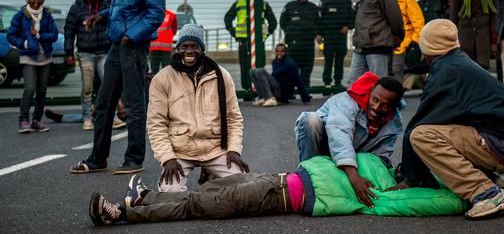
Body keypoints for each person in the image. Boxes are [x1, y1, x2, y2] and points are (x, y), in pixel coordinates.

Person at [87, 153, 467, 226]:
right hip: (276, 179)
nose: (402, 171)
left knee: (198, 205)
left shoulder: (383, 196)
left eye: (409, 174)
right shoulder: (377, 165)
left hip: (276, 196)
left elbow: (428, 202)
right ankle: (144, 198)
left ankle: (123, 214)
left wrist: (470, 194)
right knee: (208, 190)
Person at [388, 19, 504, 220]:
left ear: (428, 47)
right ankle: (490, 177)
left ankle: (486, 192)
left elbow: (420, 124)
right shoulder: (458, 62)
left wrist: (411, 178)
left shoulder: (446, 72)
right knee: (443, 126)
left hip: (499, 145)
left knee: (422, 135)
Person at [69, 0, 166, 175]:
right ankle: (97, 159)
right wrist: (100, 17)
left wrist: (131, 35)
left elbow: (156, 12)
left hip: (133, 47)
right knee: (103, 103)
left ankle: (133, 159)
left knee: (134, 104)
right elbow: (119, 8)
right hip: (116, 45)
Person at [147, 24, 249, 192]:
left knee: (243, 188)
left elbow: (233, 117)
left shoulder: (221, 76)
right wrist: (167, 159)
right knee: (171, 194)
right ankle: (208, 180)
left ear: (202, 49)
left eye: (194, 46)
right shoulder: (162, 79)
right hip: (180, 151)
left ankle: (211, 174)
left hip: (215, 149)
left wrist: (233, 150)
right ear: (178, 49)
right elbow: (156, 124)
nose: (189, 51)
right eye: (184, 46)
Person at [294, 72, 404, 207]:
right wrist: (354, 177)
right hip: (327, 146)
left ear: (394, 106)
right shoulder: (346, 101)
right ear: (370, 92)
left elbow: (378, 157)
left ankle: (339, 176)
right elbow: (339, 136)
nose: (376, 108)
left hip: (351, 157)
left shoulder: (395, 122)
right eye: (375, 99)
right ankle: (307, 175)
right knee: (310, 120)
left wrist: (391, 174)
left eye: (385, 105)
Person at [63, 0, 112, 130]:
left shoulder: (105, 5)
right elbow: (69, 31)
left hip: (104, 52)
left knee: (108, 84)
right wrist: (69, 53)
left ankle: (112, 116)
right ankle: (87, 117)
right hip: (85, 54)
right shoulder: (77, 7)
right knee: (87, 87)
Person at [7, 0, 58, 133]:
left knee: (41, 91)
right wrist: (25, 43)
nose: (36, 1)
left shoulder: (47, 15)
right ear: (28, 0)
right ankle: (23, 120)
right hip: (28, 57)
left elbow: (54, 35)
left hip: (45, 58)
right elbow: (11, 36)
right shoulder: (20, 15)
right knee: (30, 88)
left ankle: (36, 121)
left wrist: (39, 36)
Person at [347, 0, 404, 84]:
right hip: (361, 47)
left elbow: (395, 18)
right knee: (352, 85)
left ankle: (392, 104)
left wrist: (398, 36)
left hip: (377, 47)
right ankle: (358, 105)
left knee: (379, 85)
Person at [224, 0, 277, 91]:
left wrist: (266, 33)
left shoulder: (263, 4)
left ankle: (258, 90)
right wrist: (233, 31)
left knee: (258, 65)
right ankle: (247, 89)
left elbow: (273, 22)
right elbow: (227, 18)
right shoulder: (239, 3)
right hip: (244, 39)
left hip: (257, 40)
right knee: (245, 65)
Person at [317, 0, 355, 89]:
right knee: (328, 59)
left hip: (341, 34)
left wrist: (348, 26)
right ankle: (327, 83)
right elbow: (320, 17)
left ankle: (338, 82)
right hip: (328, 34)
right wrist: (319, 33)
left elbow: (352, 16)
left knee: (340, 59)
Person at [280, 0, 320, 88]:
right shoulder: (290, 6)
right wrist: (290, 32)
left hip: (308, 43)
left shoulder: (313, 7)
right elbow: (282, 22)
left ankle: (305, 90)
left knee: (307, 68)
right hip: (294, 43)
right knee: (292, 67)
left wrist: (318, 34)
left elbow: (318, 23)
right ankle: (290, 91)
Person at [388, 0, 424, 84]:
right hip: (387, 41)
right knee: (388, 70)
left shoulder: (408, 0)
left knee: (397, 69)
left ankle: (397, 95)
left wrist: (413, 41)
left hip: (403, 43)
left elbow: (418, 22)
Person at [149, 9, 178, 74]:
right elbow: (174, 29)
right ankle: (166, 83)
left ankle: (154, 83)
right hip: (166, 47)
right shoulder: (171, 15)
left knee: (154, 70)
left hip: (153, 46)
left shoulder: (151, 13)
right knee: (167, 69)